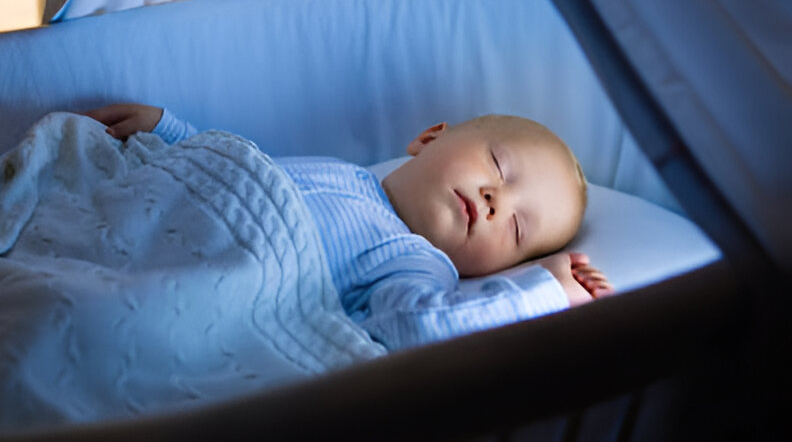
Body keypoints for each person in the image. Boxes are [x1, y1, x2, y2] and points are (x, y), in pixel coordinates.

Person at [83, 103, 612, 352]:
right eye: (498, 167)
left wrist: (542, 291)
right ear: (429, 137)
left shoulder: (416, 265)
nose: (497, 200)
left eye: (517, 229)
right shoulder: (345, 172)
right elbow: (252, 168)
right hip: (155, 218)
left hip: (193, 290)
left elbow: (422, 327)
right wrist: (171, 134)